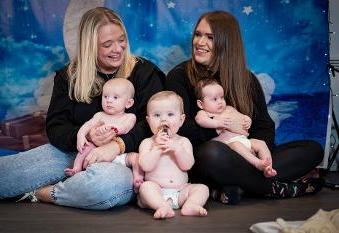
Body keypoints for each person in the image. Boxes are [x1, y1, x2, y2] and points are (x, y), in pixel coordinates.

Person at [0, 7, 165, 209]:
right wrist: (86, 136)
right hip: (75, 151)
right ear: (90, 46)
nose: (118, 49)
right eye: (107, 44)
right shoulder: (68, 76)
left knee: (104, 186)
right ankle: (77, 186)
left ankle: (45, 192)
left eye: (121, 40)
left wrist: (117, 145)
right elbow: (56, 127)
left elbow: (153, 124)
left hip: (123, 160)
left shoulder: (144, 72)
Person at [165, 11, 324, 204]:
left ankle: (237, 185)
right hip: (207, 160)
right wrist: (221, 127)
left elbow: (264, 125)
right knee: (211, 153)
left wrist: (256, 151)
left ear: (226, 42)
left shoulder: (246, 80)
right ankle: (275, 188)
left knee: (312, 149)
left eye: (210, 37)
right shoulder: (179, 76)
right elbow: (179, 129)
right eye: (198, 34)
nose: (199, 42)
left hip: (247, 156)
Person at [137, 91, 209, 219]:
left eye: (170, 114)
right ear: (148, 121)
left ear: (181, 120)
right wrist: (157, 148)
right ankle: (161, 206)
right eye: (157, 115)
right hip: (157, 192)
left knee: (202, 189)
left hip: (181, 192)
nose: (163, 119)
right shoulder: (147, 143)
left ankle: (191, 205)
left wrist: (177, 149)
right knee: (146, 187)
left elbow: (187, 165)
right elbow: (145, 166)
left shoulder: (183, 142)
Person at [64, 78, 144, 192]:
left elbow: (125, 129)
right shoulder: (100, 115)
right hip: (97, 153)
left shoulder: (129, 117)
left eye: (115, 97)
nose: (109, 101)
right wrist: (81, 136)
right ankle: (76, 168)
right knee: (86, 147)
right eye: (105, 96)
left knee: (136, 157)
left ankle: (138, 179)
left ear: (128, 103)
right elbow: (87, 125)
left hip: (119, 155)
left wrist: (111, 127)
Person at [195, 78, 277, 177]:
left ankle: (268, 168)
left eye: (222, 97)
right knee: (236, 144)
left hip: (243, 140)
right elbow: (200, 120)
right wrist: (216, 123)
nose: (220, 102)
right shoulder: (204, 113)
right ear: (200, 104)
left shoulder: (229, 108)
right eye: (215, 99)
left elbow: (241, 117)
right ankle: (257, 163)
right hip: (229, 146)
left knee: (261, 143)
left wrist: (247, 120)